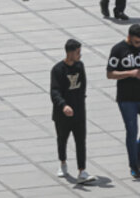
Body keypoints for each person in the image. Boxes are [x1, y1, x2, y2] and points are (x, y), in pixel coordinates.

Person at [107, 23, 140, 178]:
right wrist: (129, 73)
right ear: (129, 37)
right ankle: (134, 165)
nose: (139, 44)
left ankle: (137, 148)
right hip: (127, 98)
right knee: (132, 131)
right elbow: (110, 74)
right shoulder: (118, 50)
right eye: (136, 42)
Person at [51, 39, 97, 184]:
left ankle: (82, 170)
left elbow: (83, 85)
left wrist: (80, 102)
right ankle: (63, 162)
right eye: (77, 52)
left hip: (78, 111)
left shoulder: (79, 66)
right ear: (69, 53)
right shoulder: (58, 69)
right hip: (62, 114)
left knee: (80, 140)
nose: (80, 55)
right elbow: (54, 91)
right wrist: (64, 105)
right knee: (62, 139)